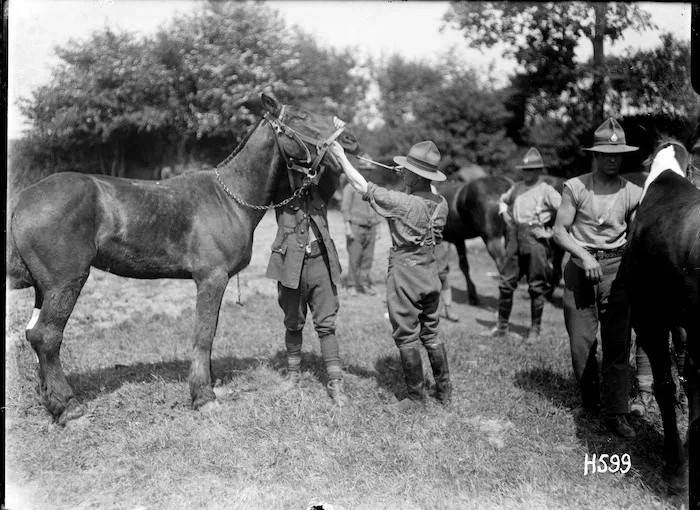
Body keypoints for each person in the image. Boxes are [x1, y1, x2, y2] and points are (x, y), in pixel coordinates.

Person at [331, 135, 452, 410]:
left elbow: (363, 186)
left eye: (407, 169)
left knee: (406, 335)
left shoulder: (403, 202)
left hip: (405, 273)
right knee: (431, 334)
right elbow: (427, 206)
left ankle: (415, 399)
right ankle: (445, 394)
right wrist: (412, 179)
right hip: (429, 272)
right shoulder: (441, 203)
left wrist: (340, 156)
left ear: (415, 174)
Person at [552, 118, 642, 439]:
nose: (612, 159)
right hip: (580, 267)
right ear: (595, 154)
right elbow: (559, 231)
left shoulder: (633, 192)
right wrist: (585, 255)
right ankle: (589, 402)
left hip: (618, 270)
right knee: (581, 342)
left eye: (617, 154)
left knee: (618, 344)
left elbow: (634, 237)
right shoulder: (575, 187)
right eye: (605, 153)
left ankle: (616, 413)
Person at [265, 149, 348, 406]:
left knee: (326, 324)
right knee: (293, 322)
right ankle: (292, 376)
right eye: (298, 169)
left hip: (320, 263)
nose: (304, 173)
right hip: (291, 266)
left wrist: (327, 148)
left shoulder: (321, 190)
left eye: (307, 168)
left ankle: (335, 382)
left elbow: (335, 169)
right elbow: (272, 170)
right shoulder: (280, 192)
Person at [492, 148, 562, 343]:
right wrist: (504, 212)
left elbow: (565, 209)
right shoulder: (517, 187)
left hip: (535, 239)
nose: (527, 173)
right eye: (525, 169)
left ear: (539, 170)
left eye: (531, 169)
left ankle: (534, 330)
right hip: (515, 235)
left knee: (537, 284)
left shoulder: (546, 189)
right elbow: (503, 200)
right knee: (506, 282)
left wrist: (551, 232)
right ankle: (502, 327)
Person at [341, 176, 382, 295]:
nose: (367, 173)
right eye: (364, 170)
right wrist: (347, 227)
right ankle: (351, 285)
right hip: (356, 227)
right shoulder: (350, 188)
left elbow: (376, 208)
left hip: (371, 227)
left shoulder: (373, 189)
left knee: (368, 258)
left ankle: (364, 283)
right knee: (355, 257)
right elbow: (345, 207)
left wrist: (378, 228)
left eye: (370, 171)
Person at [431, 184, 459, 322]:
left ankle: (448, 307)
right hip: (417, 242)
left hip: (435, 241)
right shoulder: (411, 191)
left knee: (442, 274)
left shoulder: (435, 193)